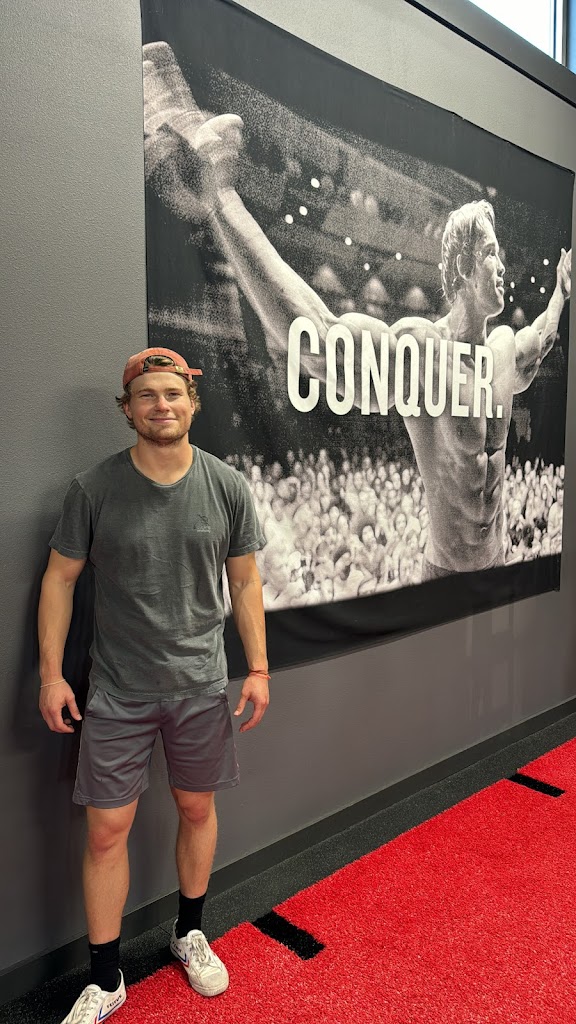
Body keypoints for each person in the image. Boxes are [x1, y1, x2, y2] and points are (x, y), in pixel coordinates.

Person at [142, 43, 571, 583]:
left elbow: (544, 335)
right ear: (463, 266)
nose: (503, 266)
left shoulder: (506, 352)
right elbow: (319, 342)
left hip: (499, 565)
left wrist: (562, 290)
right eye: (491, 254)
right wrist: (222, 199)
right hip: (445, 576)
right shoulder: (424, 351)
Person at [38, 348, 269, 1024]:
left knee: (197, 810)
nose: (161, 405)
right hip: (117, 690)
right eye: (147, 396)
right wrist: (50, 675)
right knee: (106, 832)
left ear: (191, 403)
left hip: (200, 686)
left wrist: (258, 669)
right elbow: (59, 580)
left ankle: (189, 932)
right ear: (128, 409)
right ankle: (106, 978)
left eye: (172, 393)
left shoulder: (226, 485)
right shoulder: (93, 489)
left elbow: (245, 582)